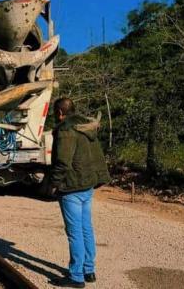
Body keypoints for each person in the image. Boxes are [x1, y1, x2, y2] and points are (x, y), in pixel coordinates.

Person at [45, 98, 110, 288]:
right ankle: (89, 270)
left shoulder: (66, 130)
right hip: (87, 185)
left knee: (74, 233)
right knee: (86, 228)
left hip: (71, 186)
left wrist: (53, 184)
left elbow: (63, 162)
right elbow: (96, 156)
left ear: (59, 112)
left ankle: (76, 276)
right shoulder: (86, 125)